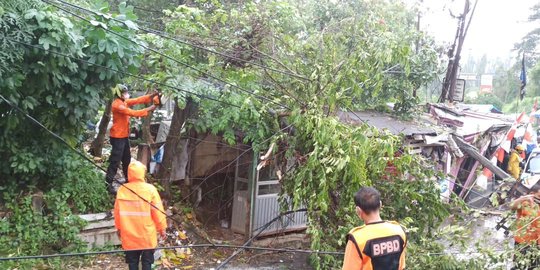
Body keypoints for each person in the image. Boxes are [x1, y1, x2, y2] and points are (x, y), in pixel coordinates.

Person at [114, 160, 167, 270]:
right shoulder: (150, 189)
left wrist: (119, 228)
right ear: (142, 173)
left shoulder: (122, 190)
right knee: (147, 263)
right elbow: (158, 212)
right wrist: (162, 229)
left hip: (129, 236)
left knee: (132, 263)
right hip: (147, 236)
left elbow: (117, 213)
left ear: (129, 173)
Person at [106, 85, 157, 194]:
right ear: (119, 94)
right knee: (115, 161)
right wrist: (149, 109)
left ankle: (128, 180)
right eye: (125, 93)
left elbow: (137, 100)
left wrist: (151, 96)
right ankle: (108, 183)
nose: (127, 94)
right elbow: (133, 113)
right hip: (117, 137)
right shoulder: (117, 105)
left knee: (126, 159)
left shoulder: (123, 102)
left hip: (124, 136)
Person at [342, 187, 407, 270]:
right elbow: (401, 266)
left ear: (358, 210)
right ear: (380, 204)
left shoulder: (357, 238)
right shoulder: (398, 231)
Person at [510, 186, 540, 270]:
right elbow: (511, 206)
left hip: (537, 243)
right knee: (518, 266)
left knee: (534, 265)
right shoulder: (525, 203)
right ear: (532, 194)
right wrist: (523, 198)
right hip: (523, 242)